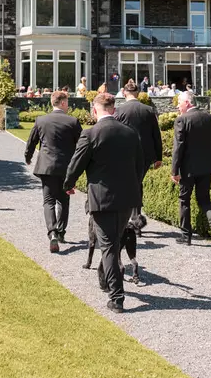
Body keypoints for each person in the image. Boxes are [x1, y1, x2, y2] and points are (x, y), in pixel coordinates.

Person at [64, 92, 144, 313]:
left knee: (108, 247)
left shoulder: (90, 134)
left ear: (94, 110)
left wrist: (68, 184)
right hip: (127, 199)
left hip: (102, 199)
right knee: (113, 243)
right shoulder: (130, 133)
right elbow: (140, 165)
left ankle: (117, 297)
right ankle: (104, 278)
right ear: (114, 110)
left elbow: (75, 164)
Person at [24, 91, 83, 253]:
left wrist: (28, 157)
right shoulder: (72, 121)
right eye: (67, 102)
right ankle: (61, 232)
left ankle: (52, 232)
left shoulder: (41, 120)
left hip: (46, 166)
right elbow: (82, 145)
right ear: (62, 103)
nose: (68, 105)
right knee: (63, 200)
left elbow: (32, 141)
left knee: (48, 200)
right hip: (66, 167)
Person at [170, 90, 211, 248]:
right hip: (206, 168)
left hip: (188, 170)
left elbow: (178, 148)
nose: (177, 106)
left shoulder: (182, 120)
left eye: (179, 102)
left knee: (184, 200)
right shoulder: (209, 118)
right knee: (204, 200)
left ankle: (185, 235)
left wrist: (174, 171)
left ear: (187, 103)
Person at [113, 81, 163, 233]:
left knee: (126, 185)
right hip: (145, 155)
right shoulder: (148, 110)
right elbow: (156, 135)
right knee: (137, 184)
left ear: (124, 93)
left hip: (124, 154)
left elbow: (113, 133)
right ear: (138, 93)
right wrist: (158, 157)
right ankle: (136, 219)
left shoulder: (120, 110)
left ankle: (127, 219)